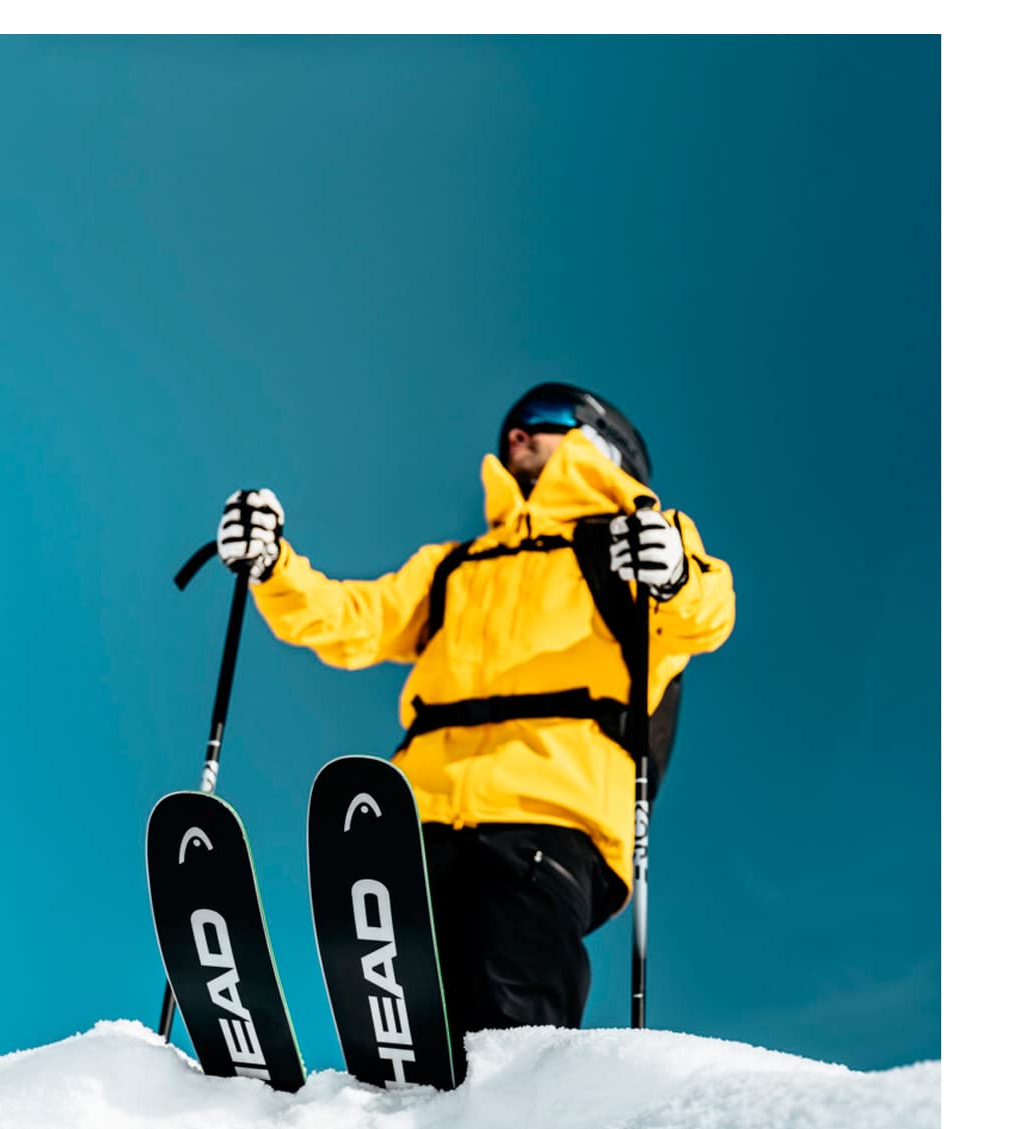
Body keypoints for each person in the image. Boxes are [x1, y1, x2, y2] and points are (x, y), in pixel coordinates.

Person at [215, 382, 735, 1063]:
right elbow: (351, 619)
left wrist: (671, 578)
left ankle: (508, 1116)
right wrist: (273, 567)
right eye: (511, 424)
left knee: (510, 1008)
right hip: (421, 817)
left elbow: (701, 615)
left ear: (602, 444)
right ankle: (384, 1121)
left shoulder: (634, 544)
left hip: (551, 816)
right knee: (404, 1016)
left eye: (543, 419)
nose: (516, 433)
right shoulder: (454, 567)